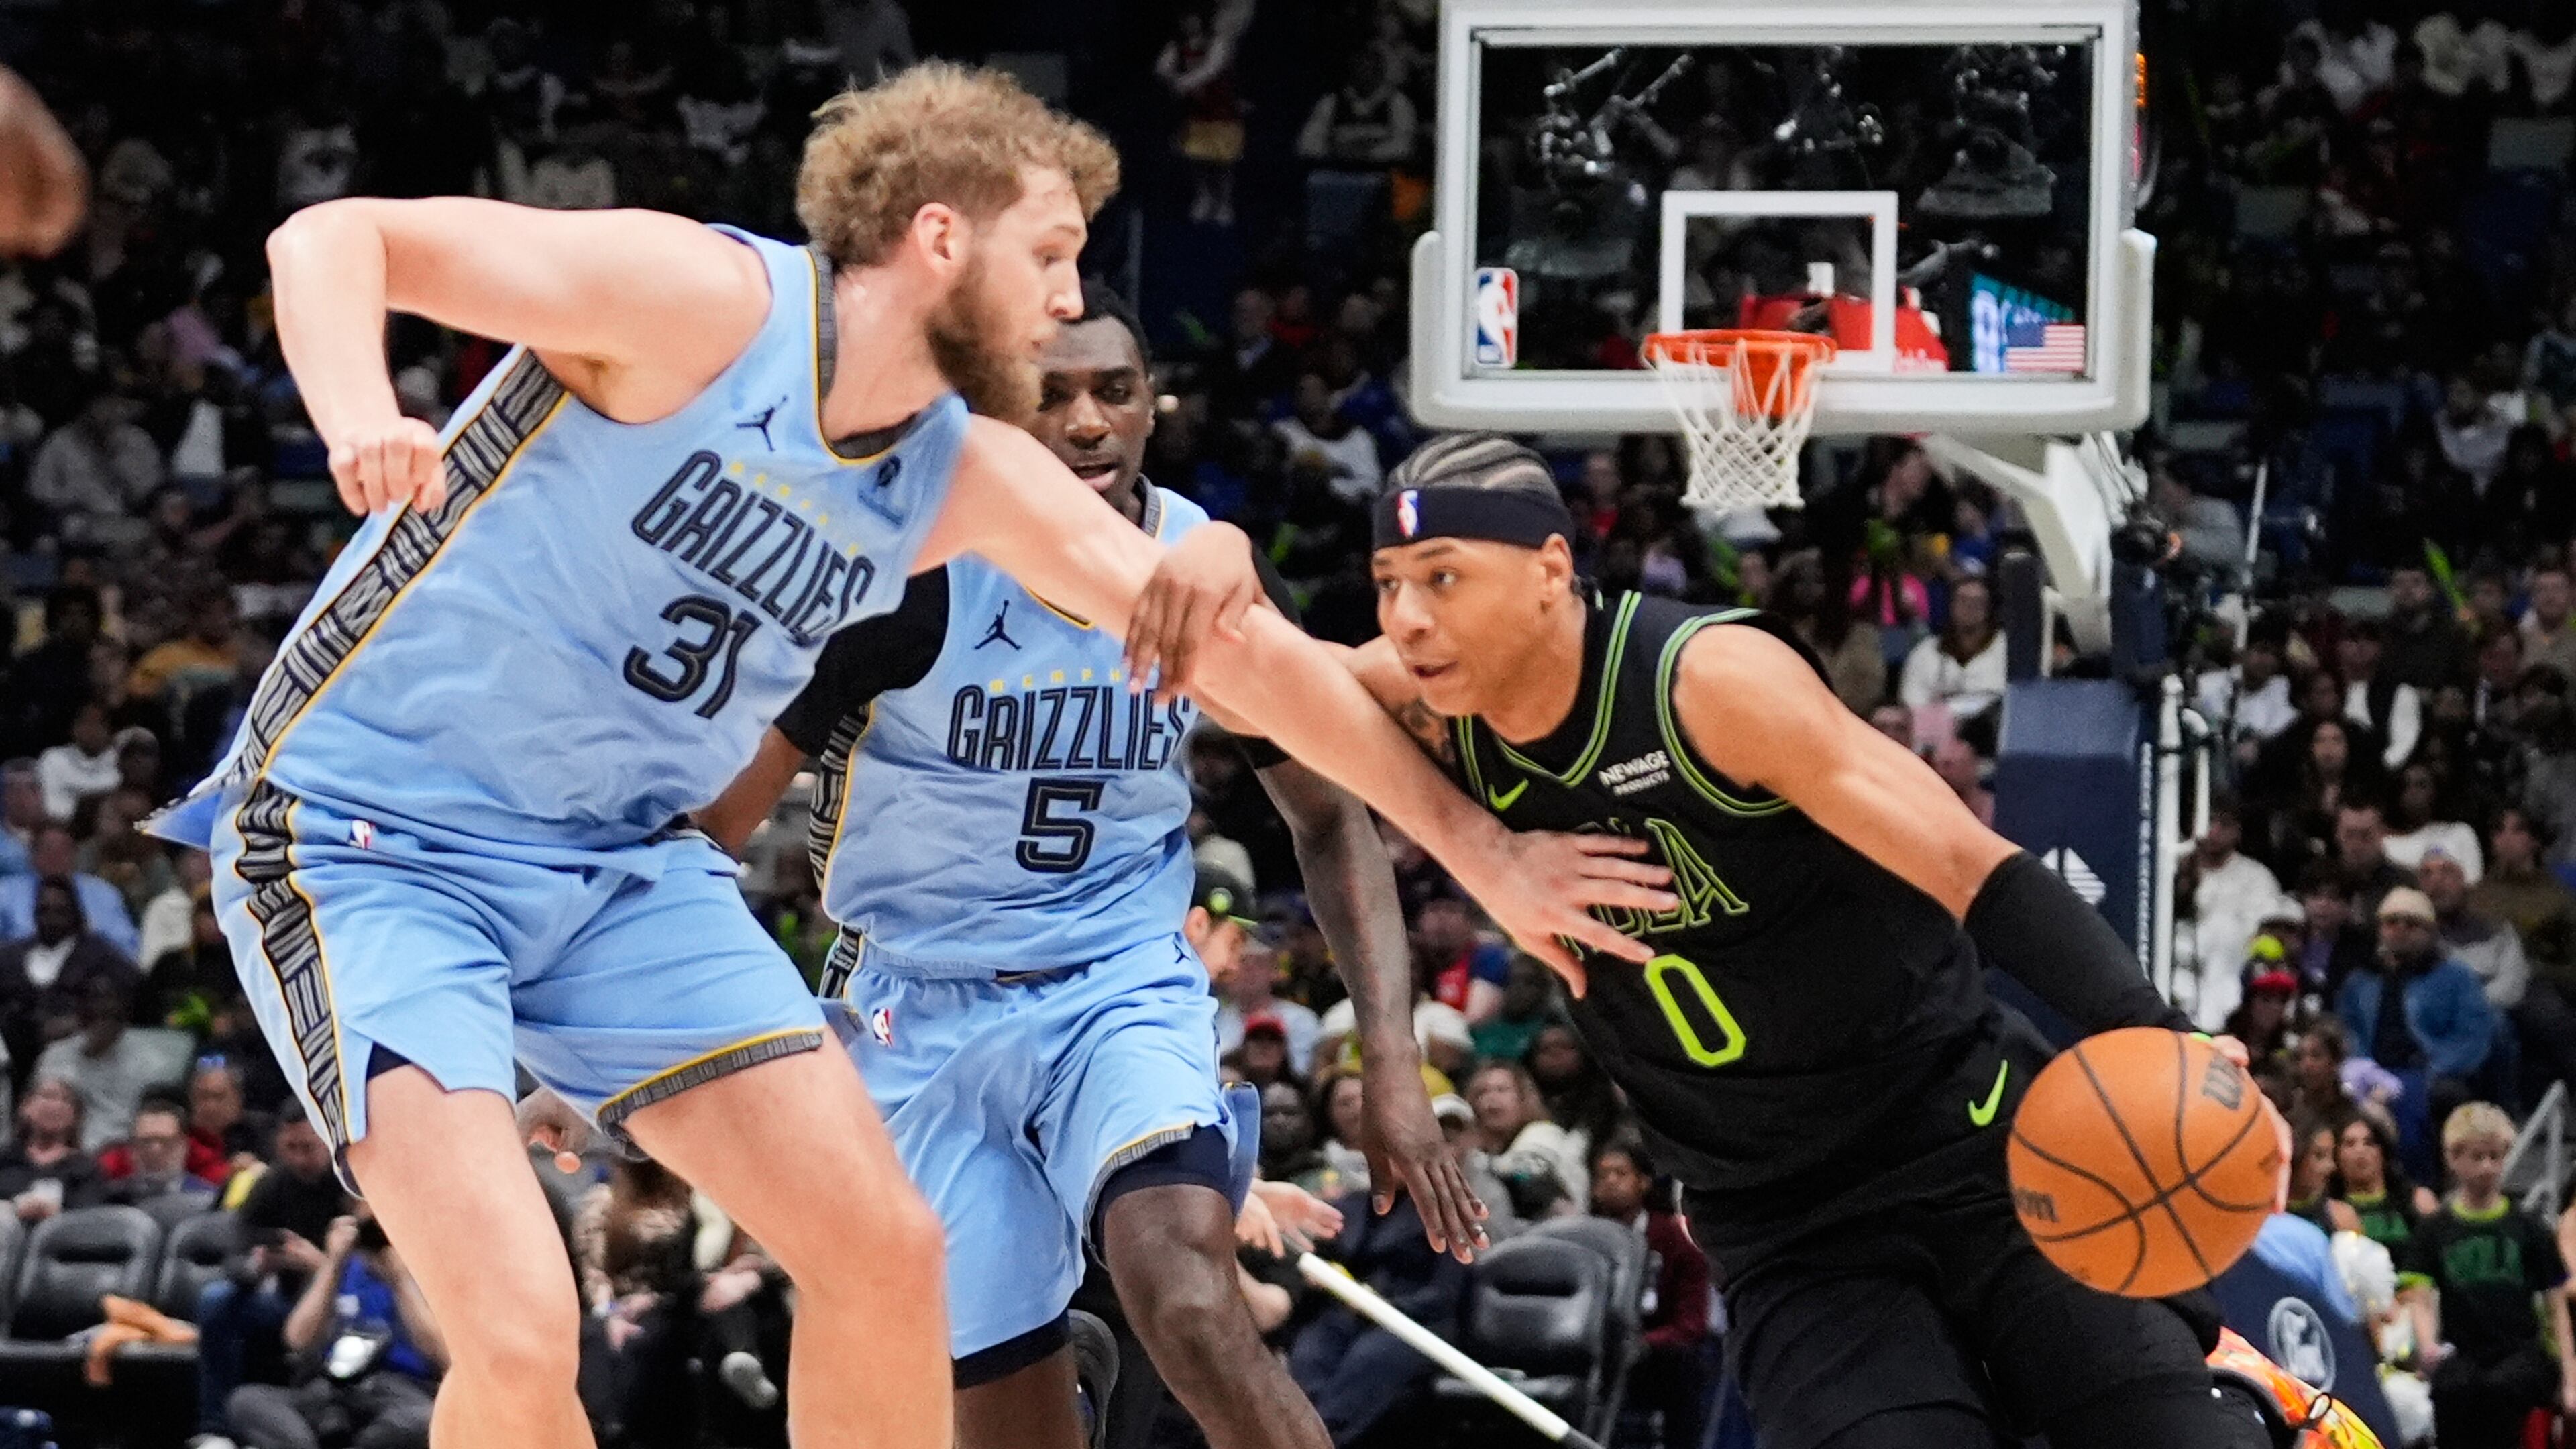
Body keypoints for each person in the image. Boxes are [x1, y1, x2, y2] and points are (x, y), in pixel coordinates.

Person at [148, 65, 1646, 1449]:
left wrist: (1488, 852)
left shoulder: (963, 475)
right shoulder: (703, 301)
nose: (1069, 299)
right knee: (526, 1328)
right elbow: (330, 237)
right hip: (373, 837)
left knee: (884, 1253)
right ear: (943, 236)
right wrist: (361, 418)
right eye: (1050, 253)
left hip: (616, 865)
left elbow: (1256, 666)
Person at [660, 280, 1630, 1449]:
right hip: (918, 1011)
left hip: (1117, 986)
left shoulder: (1202, 572)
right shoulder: (906, 579)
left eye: (1114, 392)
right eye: (1051, 395)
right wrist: (618, 1043)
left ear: (1151, 408)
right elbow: (710, 832)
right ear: (996, 413)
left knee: (1187, 1294)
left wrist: (1391, 1063)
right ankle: (1070, 1373)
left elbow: (1329, 817)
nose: (1085, 422)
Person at [1337, 433, 2279, 1449]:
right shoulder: (1427, 704)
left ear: (1550, 572)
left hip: (1979, 1146)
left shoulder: (1707, 684)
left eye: (1441, 578)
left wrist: (2154, 1028)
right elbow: (1247, 674)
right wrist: (1479, 848)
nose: (1407, 619)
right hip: (1787, 1226)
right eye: (1387, 585)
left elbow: (1976, 869)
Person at [2403, 1104, 2576, 1445]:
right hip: (2462, 1351)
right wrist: (2427, 1347)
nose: (2488, 1168)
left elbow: (2556, 1307)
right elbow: (2418, 1298)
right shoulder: (2434, 1231)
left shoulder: (2528, 1228)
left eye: (2495, 1157)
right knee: (2454, 1389)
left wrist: (2570, 1377)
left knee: (2501, 1390)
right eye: (2477, 1157)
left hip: (2520, 1352)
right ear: (2453, 1159)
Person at [222, 1209, 446, 1449]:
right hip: (331, 1389)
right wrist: (333, 1264)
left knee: (426, 1421)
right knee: (246, 1401)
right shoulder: (340, 1270)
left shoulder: (426, 1274)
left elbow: (443, 1355)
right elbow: (297, 1340)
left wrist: (400, 1279)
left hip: (400, 1390)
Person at [2337, 886, 2497, 1158]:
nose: (2400, 929)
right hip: (2372, 1069)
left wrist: (2433, 1071)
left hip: (2427, 1071)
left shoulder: (2457, 978)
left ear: (2430, 932)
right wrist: (2364, 1072)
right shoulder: (2361, 980)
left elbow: (2473, 1037)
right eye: (2391, 922)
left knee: (2413, 1105)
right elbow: (2347, 1032)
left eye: (2412, 924)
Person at [1589, 1138, 1712, 1449]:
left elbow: (1692, 1324)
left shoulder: (1674, 1238)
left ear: (1643, 1182)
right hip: (1592, 1349)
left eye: (1620, 1173)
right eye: (1603, 1175)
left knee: (1683, 1364)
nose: (1611, 1182)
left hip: (1654, 1354)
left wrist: (1645, 1344)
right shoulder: (1581, 1236)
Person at [0, 875, 142, 1074]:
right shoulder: (9, 956)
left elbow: (126, 1000)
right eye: (44, 910)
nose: (50, 918)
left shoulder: (103, 956)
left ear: (75, 912)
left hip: (77, 1055)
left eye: (60, 911)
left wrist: (77, 1022)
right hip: (10, 1056)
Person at [32, 981, 164, 1151]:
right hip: (55, 1146)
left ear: (124, 1021)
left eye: (110, 1017)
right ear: (80, 1018)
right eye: (92, 1016)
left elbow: (145, 1123)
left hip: (117, 1151)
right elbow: (35, 1111)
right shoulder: (55, 1056)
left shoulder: (149, 1065)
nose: (101, 1024)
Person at [1465, 1059, 1587, 1218]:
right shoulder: (1478, 1152)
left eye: (1502, 1090)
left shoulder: (1544, 1134)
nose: (1492, 1099)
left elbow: (1530, 1183)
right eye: (1482, 1092)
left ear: (1523, 1098)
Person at [2419, 847, 2528, 1010]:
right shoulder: (2413, 933)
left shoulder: (2497, 929)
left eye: (2447, 871)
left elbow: (2513, 985)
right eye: (2427, 874)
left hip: (2492, 1014)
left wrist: (2468, 1006)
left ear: (2463, 880)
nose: (2437, 881)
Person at [2328, 1112, 2434, 1259]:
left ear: (2383, 1152)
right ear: (2336, 1157)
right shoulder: (2329, 1212)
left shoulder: (2418, 1201)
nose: (2360, 1151)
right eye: (2350, 1144)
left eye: (2369, 1143)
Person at [0, 1078, 104, 1219]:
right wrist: (14, 1207)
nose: (55, 1105)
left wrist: (56, 1213)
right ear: (25, 1107)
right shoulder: (6, 1158)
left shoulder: (86, 1168)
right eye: (47, 1096)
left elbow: (90, 1216)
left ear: (76, 1117)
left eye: (65, 1100)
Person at [101, 1095, 221, 1208]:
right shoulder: (108, 1200)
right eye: (145, 1142)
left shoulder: (208, 1199)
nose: (155, 1150)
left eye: (166, 1141)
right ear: (132, 1147)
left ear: (184, 1145)